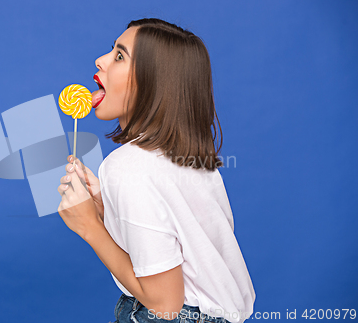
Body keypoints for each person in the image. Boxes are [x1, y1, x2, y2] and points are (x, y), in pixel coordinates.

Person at [57, 18, 255, 323]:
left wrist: (89, 227)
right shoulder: (193, 159)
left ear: (153, 83)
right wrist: (103, 207)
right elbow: (184, 242)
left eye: (120, 56)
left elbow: (165, 304)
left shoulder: (127, 167)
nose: (101, 60)